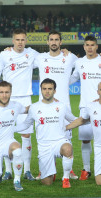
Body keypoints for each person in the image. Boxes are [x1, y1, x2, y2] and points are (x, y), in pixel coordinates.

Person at [0, 28, 38, 181]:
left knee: (26, 135)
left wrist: (63, 50)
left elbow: (49, 58)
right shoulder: (4, 54)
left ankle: (27, 170)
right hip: (7, 100)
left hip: (25, 99)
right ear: (12, 41)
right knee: (6, 136)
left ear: (26, 40)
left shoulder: (32, 54)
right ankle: (8, 170)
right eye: (17, 39)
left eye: (22, 39)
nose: (20, 42)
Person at [33, 30, 78, 180]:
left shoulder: (70, 57)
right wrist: (9, 49)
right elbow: (22, 60)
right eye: (51, 39)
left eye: (56, 40)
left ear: (61, 42)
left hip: (63, 105)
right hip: (43, 107)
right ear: (47, 42)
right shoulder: (40, 58)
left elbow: (84, 65)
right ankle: (44, 169)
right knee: (44, 137)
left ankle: (69, 170)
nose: (53, 42)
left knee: (67, 137)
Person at [15, 78, 75, 188]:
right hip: (44, 146)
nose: (47, 91)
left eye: (50, 89)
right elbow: (25, 124)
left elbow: (74, 119)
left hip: (59, 142)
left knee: (67, 148)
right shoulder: (34, 107)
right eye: (44, 89)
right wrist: (11, 128)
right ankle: (51, 172)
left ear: (54, 91)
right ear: (41, 90)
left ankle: (66, 178)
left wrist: (67, 127)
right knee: (47, 182)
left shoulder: (61, 106)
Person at [69, 35, 101, 180]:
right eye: (87, 45)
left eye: (92, 45)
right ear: (84, 47)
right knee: (86, 139)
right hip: (85, 106)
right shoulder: (79, 62)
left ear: (97, 47)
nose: (90, 47)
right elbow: (72, 78)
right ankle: (86, 169)